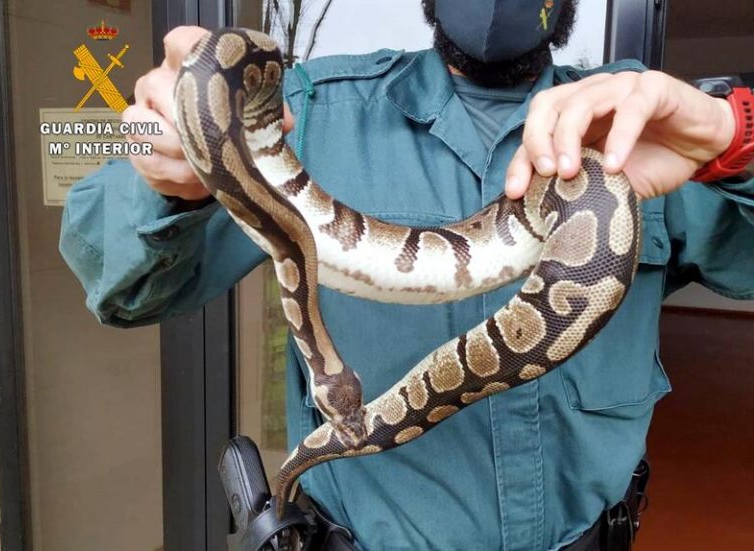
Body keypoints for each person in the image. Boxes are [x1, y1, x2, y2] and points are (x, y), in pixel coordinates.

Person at [59, 0, 754, 549]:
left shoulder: (640, 128)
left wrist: (733, 137)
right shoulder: (305, 115)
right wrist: (171, 180)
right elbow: (117, 279)